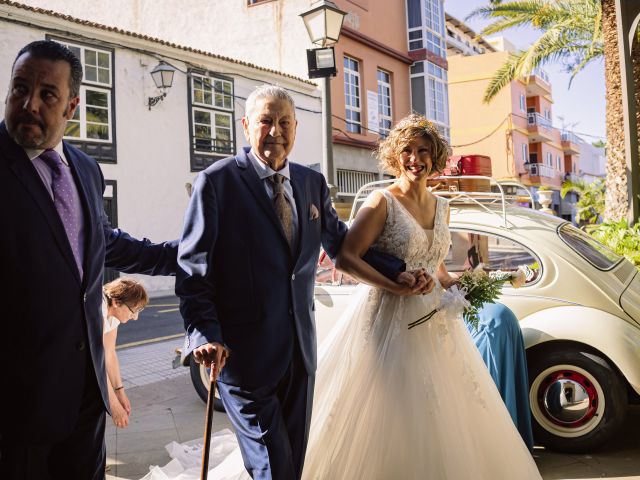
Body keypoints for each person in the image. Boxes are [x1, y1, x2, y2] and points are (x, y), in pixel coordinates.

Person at [175, 85, 424, 480]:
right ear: (245, 126)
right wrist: (203, 333)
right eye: (265, 121)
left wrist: (397, 269)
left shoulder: (311, 182)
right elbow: (193, 269)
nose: (276, 130)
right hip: (244, 358)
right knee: (274, 468)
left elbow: (340, 240)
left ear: (295, 127)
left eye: (284, 122)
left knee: (292, 464)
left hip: (300, 354)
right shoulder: (217, 182)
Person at [300, 114, 541, 478]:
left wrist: (468, 285)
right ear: (396, 156)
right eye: (408, 151)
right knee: (395, 409)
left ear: (436, 156)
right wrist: (395, 284)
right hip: (388, 321)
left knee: (444, 412)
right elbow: (346, 258)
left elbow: (437, 269)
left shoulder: (442, 206)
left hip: (435, 324)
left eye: (424, 151)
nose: (416, 158)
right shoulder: (381, 201)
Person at [0, 40, 177, 479]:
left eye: (47, 95)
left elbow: (102, 242)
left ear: (72, 107)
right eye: (19, 89)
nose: (29, 104)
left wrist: (183, 256)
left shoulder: (85, 168)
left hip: (85, 400)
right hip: (17, 412)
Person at [102, 278, 150, 428]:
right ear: (117, 302)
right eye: (133, 311)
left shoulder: (113, 313)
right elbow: (95, 364)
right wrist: (114, 405)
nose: (135, 317)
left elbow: (109, 353)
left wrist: (119, 391)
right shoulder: (96, 311)